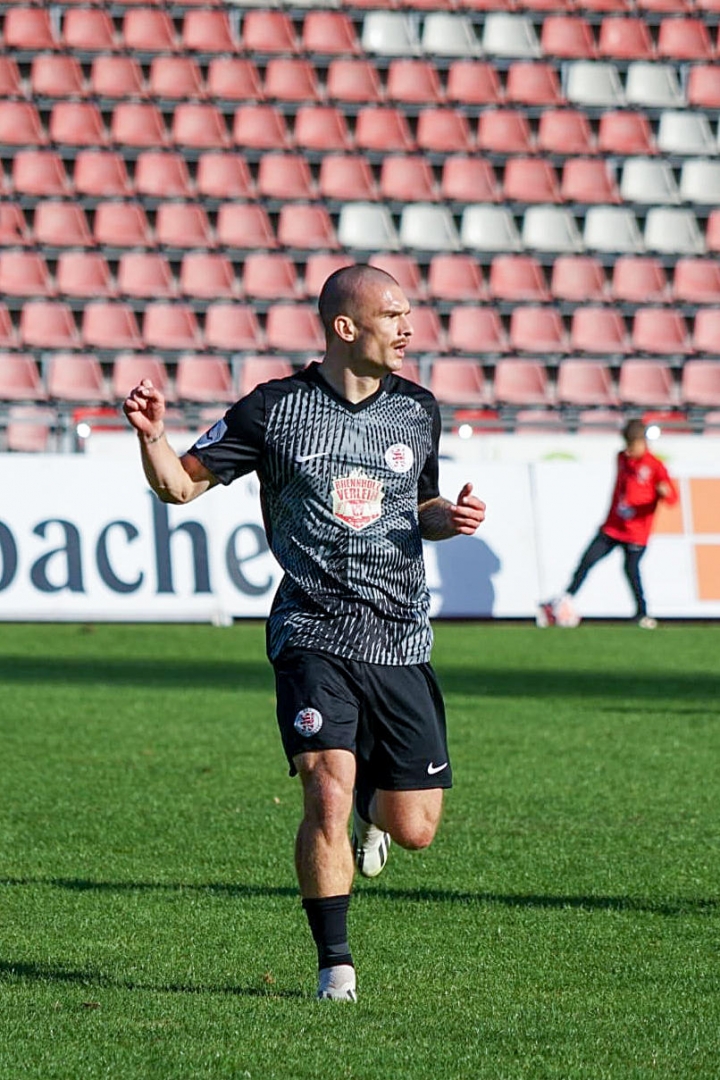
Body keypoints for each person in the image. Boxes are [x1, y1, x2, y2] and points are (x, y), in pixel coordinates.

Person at [123, 265, 486, 1002]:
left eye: (408, 314)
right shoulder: (274, 410)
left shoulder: (418, 410)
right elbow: (179, 486)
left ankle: (373, 814)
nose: (408, 328)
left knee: (413, 828)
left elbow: (417, 507)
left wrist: (448, 518)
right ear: (345, 328)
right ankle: (335, 966)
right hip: (312, 630)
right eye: (392, 315)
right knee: (323, 787)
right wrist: (154, 438)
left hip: (399, 639)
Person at [538, 418, 677, 630]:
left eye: (633, 445)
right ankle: (564, 600)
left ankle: (642, 613)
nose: (629, 450)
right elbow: (622, 489)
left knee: (631, 571)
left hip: (637, 532)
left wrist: (664, 494)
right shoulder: (622, 458)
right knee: (587, 560)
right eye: (627, 445)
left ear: (642, 443)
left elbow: (672, 498)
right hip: (613, 527)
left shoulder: (655, 466)